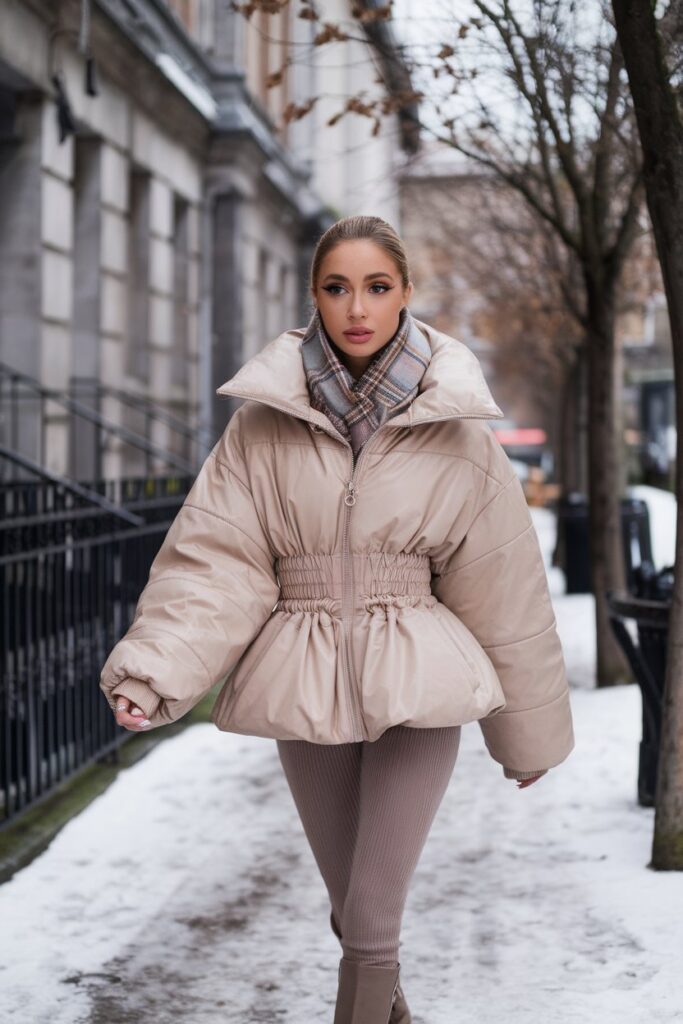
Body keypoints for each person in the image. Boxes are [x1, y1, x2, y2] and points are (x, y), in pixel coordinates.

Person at [101, 215, 575, 1024]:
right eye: (336, 286)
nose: (356, 306)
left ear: (404, 296)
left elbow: (504, 588)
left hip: (420, 683)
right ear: (314, 296)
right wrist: (155, 669)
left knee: (372, 924)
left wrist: (526, 736)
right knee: (352, 908)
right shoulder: (258, 426)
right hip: (302, 683)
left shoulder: (459, 430)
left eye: (377, 287)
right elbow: (218, 559)